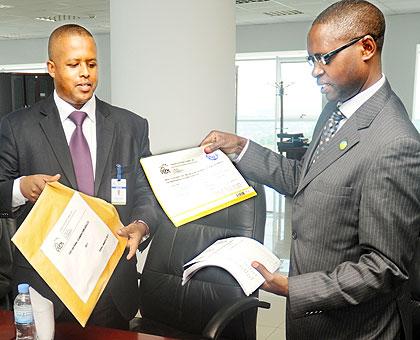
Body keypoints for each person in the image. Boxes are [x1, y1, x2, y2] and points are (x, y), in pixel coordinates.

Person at [201, 1, 420, 339]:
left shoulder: (394, 142)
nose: (315, 70)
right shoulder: (335, 110)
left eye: (325, 58)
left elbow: (384, 268)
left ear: (366, 47)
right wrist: (240, 147)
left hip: (354, 329)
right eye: (311, 59)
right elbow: (303, 178)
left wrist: (293, 287)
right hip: (314, 324)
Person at [0, 24, 160, 330]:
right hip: (44, 287)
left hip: (111, 287)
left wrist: (141, 224)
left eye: (91, 63)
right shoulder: (18, 127)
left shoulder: (131, 126)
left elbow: (147, 191)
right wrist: (22, 187)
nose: (85, 73)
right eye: (73, 65)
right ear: (51, 67)